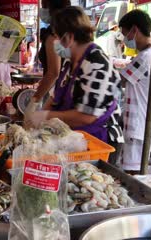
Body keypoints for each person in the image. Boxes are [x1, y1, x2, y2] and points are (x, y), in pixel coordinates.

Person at [24, 6, 124, 165]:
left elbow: (87, 117)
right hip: (75, 139)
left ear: (69, 37)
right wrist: (38, 117)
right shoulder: (70, 62)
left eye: (56, 36)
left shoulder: (96, 64)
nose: (54, 42)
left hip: (99, 144)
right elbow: (57, 97)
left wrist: (46, 117)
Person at [119, 9, 151, 173]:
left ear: (135, 30)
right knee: (135, 169)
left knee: (133, 173)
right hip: (142, 123)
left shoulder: (146, 57)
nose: (125, 40)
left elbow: (121, 80)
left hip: (139, 125)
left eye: (125, 34)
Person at [32, 0, 71, 102]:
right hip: (64, 91)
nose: (41, 10)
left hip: (56, 94)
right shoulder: (67, 31)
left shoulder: (54, 35)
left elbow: (53, 73)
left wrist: (35, 100)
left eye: (43, 6)